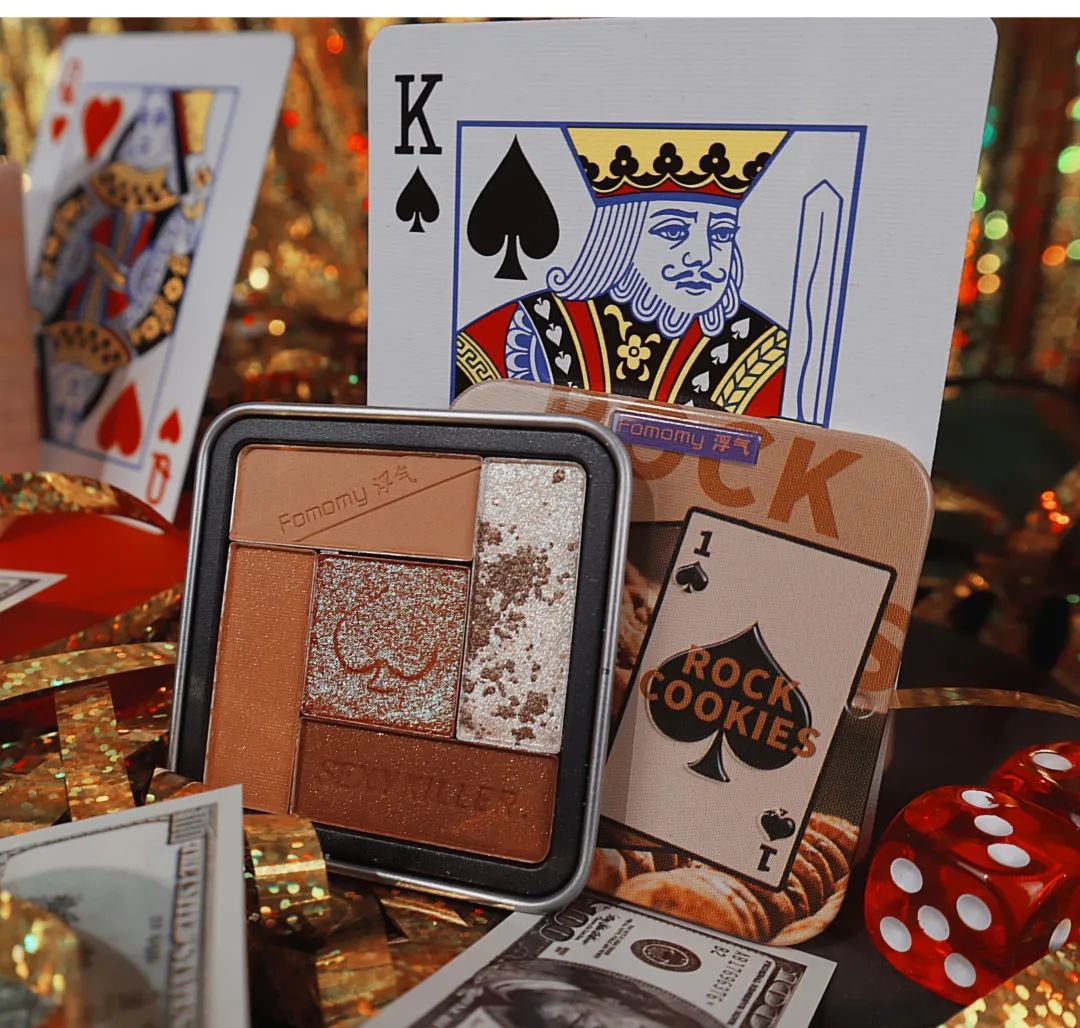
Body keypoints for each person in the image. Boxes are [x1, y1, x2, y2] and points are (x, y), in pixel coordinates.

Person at [456, 127, 789, 415]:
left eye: (721, 234)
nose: (702, 256)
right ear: (618, 240)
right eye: (674, 231)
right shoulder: (526, 326)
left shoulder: (764, 349)